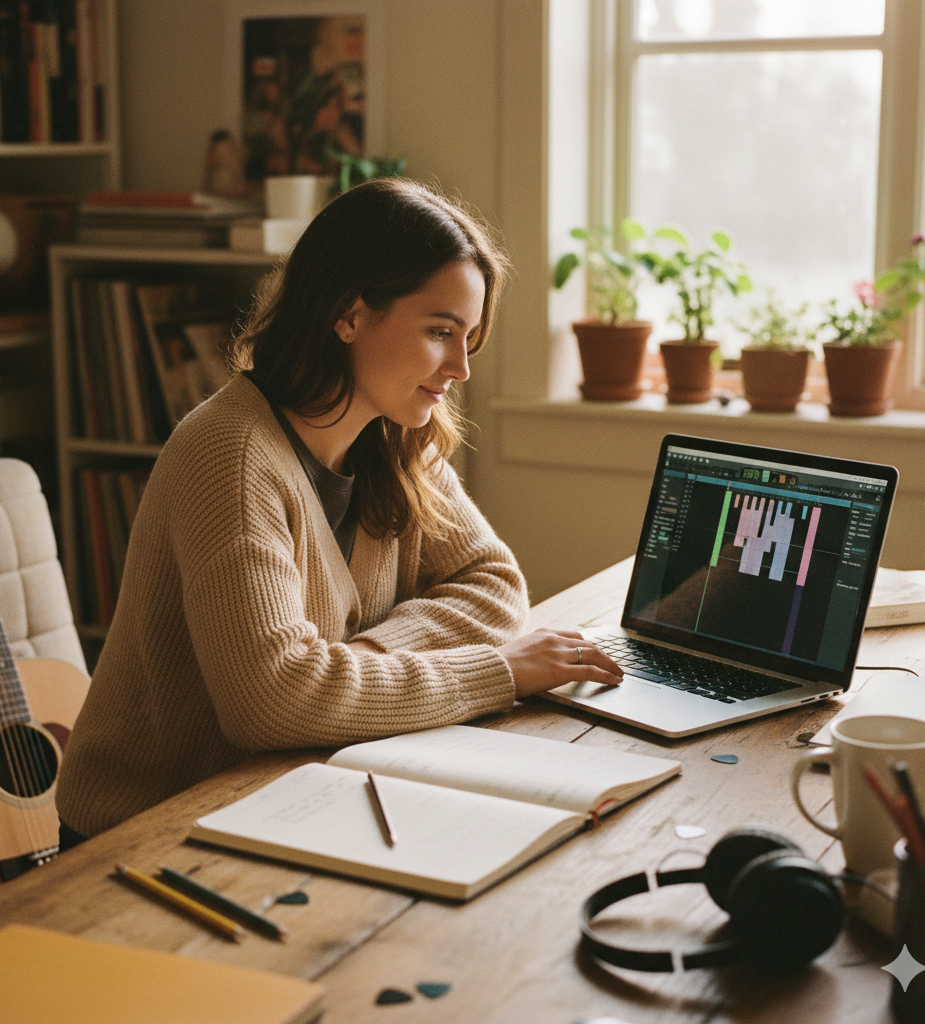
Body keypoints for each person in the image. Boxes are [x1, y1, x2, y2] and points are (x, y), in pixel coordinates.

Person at [56, 178, 623, 843]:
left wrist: (366, 656)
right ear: (349, 315)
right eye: (440, 331)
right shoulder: (231, 454)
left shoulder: (396, 437)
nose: (460, 368)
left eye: (468, 337)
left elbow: (495, 585)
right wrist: (500, 672)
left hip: (295, 794)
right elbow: (273, 701)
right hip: (151, 832)